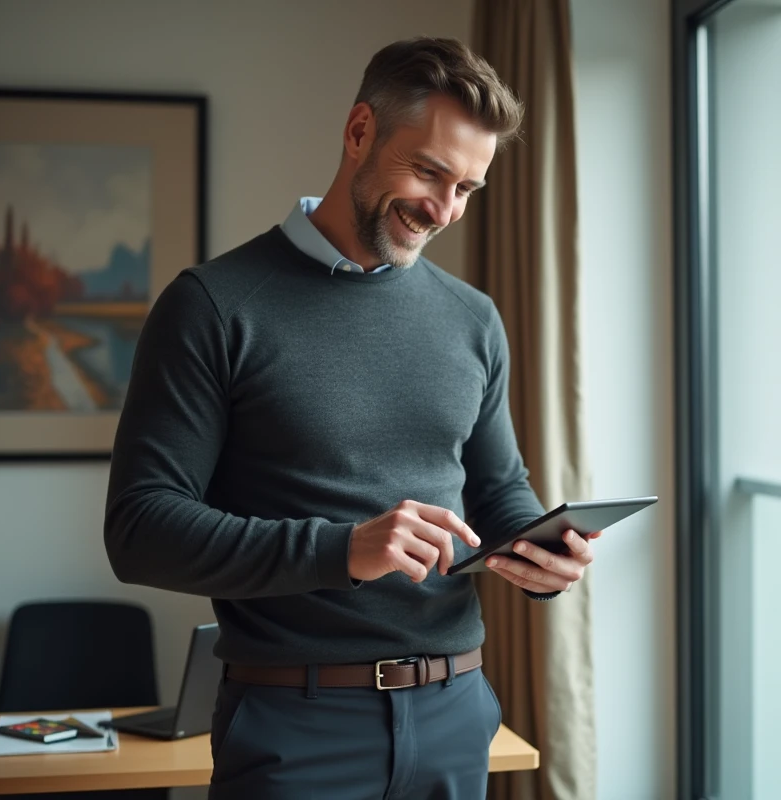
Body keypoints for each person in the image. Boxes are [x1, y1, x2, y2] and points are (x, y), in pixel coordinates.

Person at [103, 36, 598, 799]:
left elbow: (499, 491)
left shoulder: (474, 318)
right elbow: (140, 531)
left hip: (456, 709)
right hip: (294, 724)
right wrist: (343, 550)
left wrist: (544, 556)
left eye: (467, 188)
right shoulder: (212, 306)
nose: (444, 210)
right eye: (429, 172)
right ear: (360, 131)